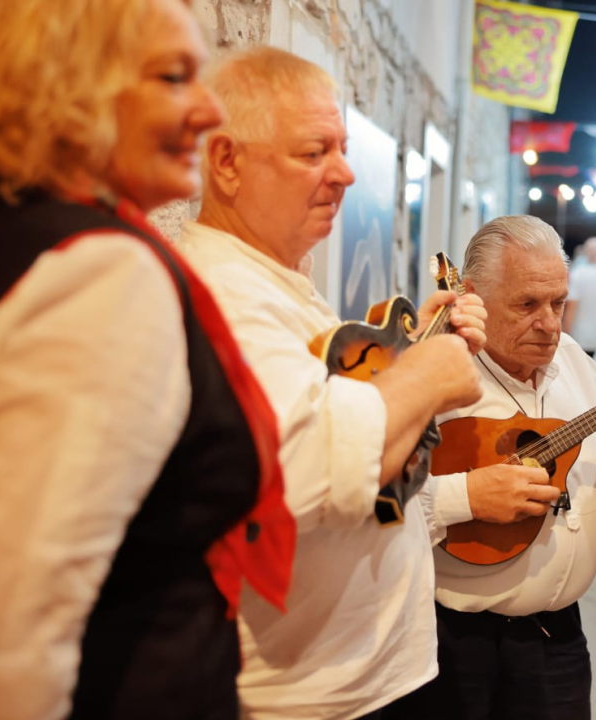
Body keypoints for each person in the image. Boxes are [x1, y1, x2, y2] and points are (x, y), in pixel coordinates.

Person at [0, 2, 297, 718]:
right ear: (69, 87)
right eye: (172, 76)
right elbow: (21, 607)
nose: (209, 107)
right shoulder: (102, 271)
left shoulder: (20, 234)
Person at [176, 47, 486, 719]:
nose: (343, 173)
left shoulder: (273, 278)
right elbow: (305, 468)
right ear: (226, 162)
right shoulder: (220, 294)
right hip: (309, 696)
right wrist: (428, 375)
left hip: (360, 676)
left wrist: (415, 348)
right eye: (313, 152)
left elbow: (337, 395)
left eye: (342, 149)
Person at [409, 215, 596, 719]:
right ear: (474, 297)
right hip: (452, 644)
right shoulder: (430, 370)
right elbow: (370, 510)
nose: (549, 324)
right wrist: (466, 497)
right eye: (527, 304)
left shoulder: (577, 363)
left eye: (558, 302)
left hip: (557, 642)